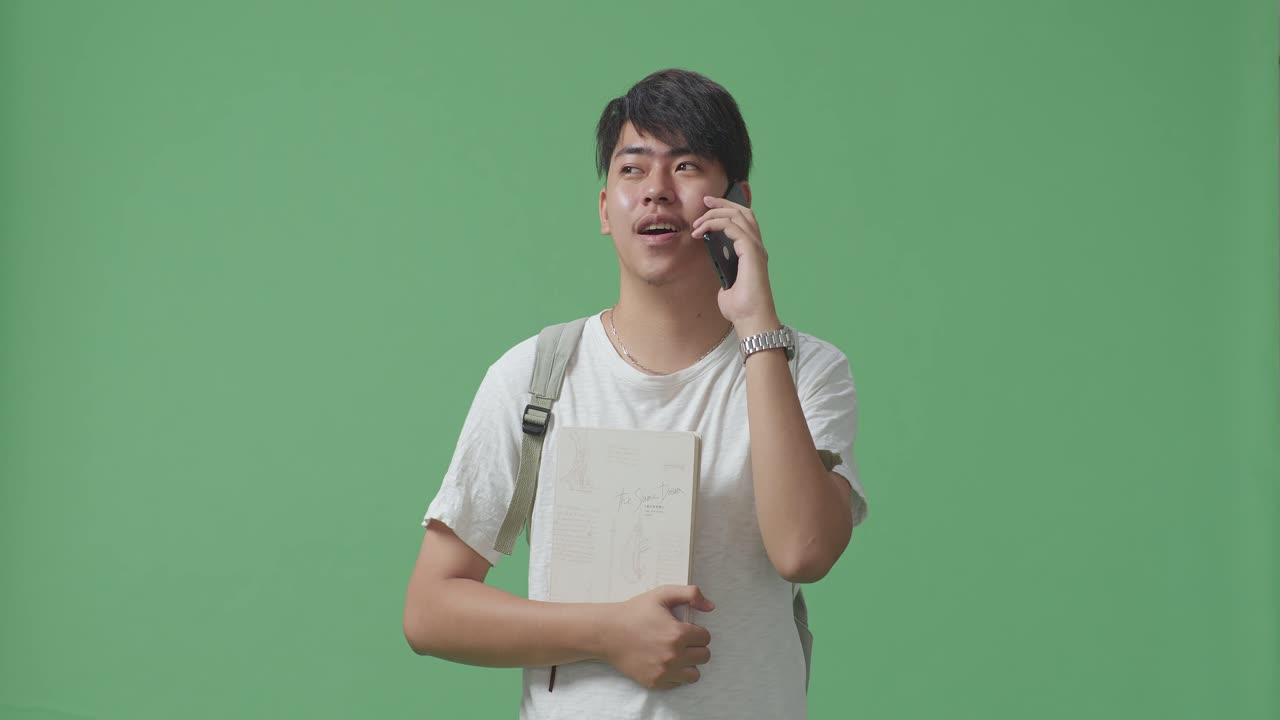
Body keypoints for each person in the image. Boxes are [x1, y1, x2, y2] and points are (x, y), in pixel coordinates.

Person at [402, 68, 868, 719]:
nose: (655, 191)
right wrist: (606, 633)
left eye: (686, 166)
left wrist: (758, 325)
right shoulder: (534, 377)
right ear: (603, 209)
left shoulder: (807, 370)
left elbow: (804, 550)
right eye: (632, 169)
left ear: (737, 199)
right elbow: (430, 609)